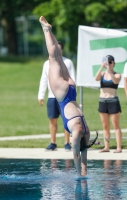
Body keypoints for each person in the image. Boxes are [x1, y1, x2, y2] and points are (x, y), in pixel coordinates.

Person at [39, 16, 98, 178]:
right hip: (63, 96)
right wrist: (80, 175)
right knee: (53, 58)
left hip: (71, 90)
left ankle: (49, 30)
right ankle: (46, 30)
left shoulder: (86, 132)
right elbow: (77, 155)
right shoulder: (78, 133)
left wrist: (85, 170)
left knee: (57, 57)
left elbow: (84, 151)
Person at [38, 41, 76, 151]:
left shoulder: (67, 62)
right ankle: (53, 142)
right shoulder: (47, 64)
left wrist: (72, 95)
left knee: (67, 120)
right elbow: (44, 79)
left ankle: (67, 143)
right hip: (52, 96)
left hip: (65, 97)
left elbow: (73, 79)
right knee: (52, 119)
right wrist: (41, 95)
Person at [95, 55, 122, 153]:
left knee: (115, 125)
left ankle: (119, 147)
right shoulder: (102, 74)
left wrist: (109, 71)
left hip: (113, 100)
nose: (109, 64)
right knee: (105, 125)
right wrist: (102, 67)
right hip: (103, 101)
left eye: (111, 62)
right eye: (107, 62)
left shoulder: (117, 74)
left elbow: (115, 81)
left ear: (114, 64)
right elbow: (96, 78)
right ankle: (106, 146)